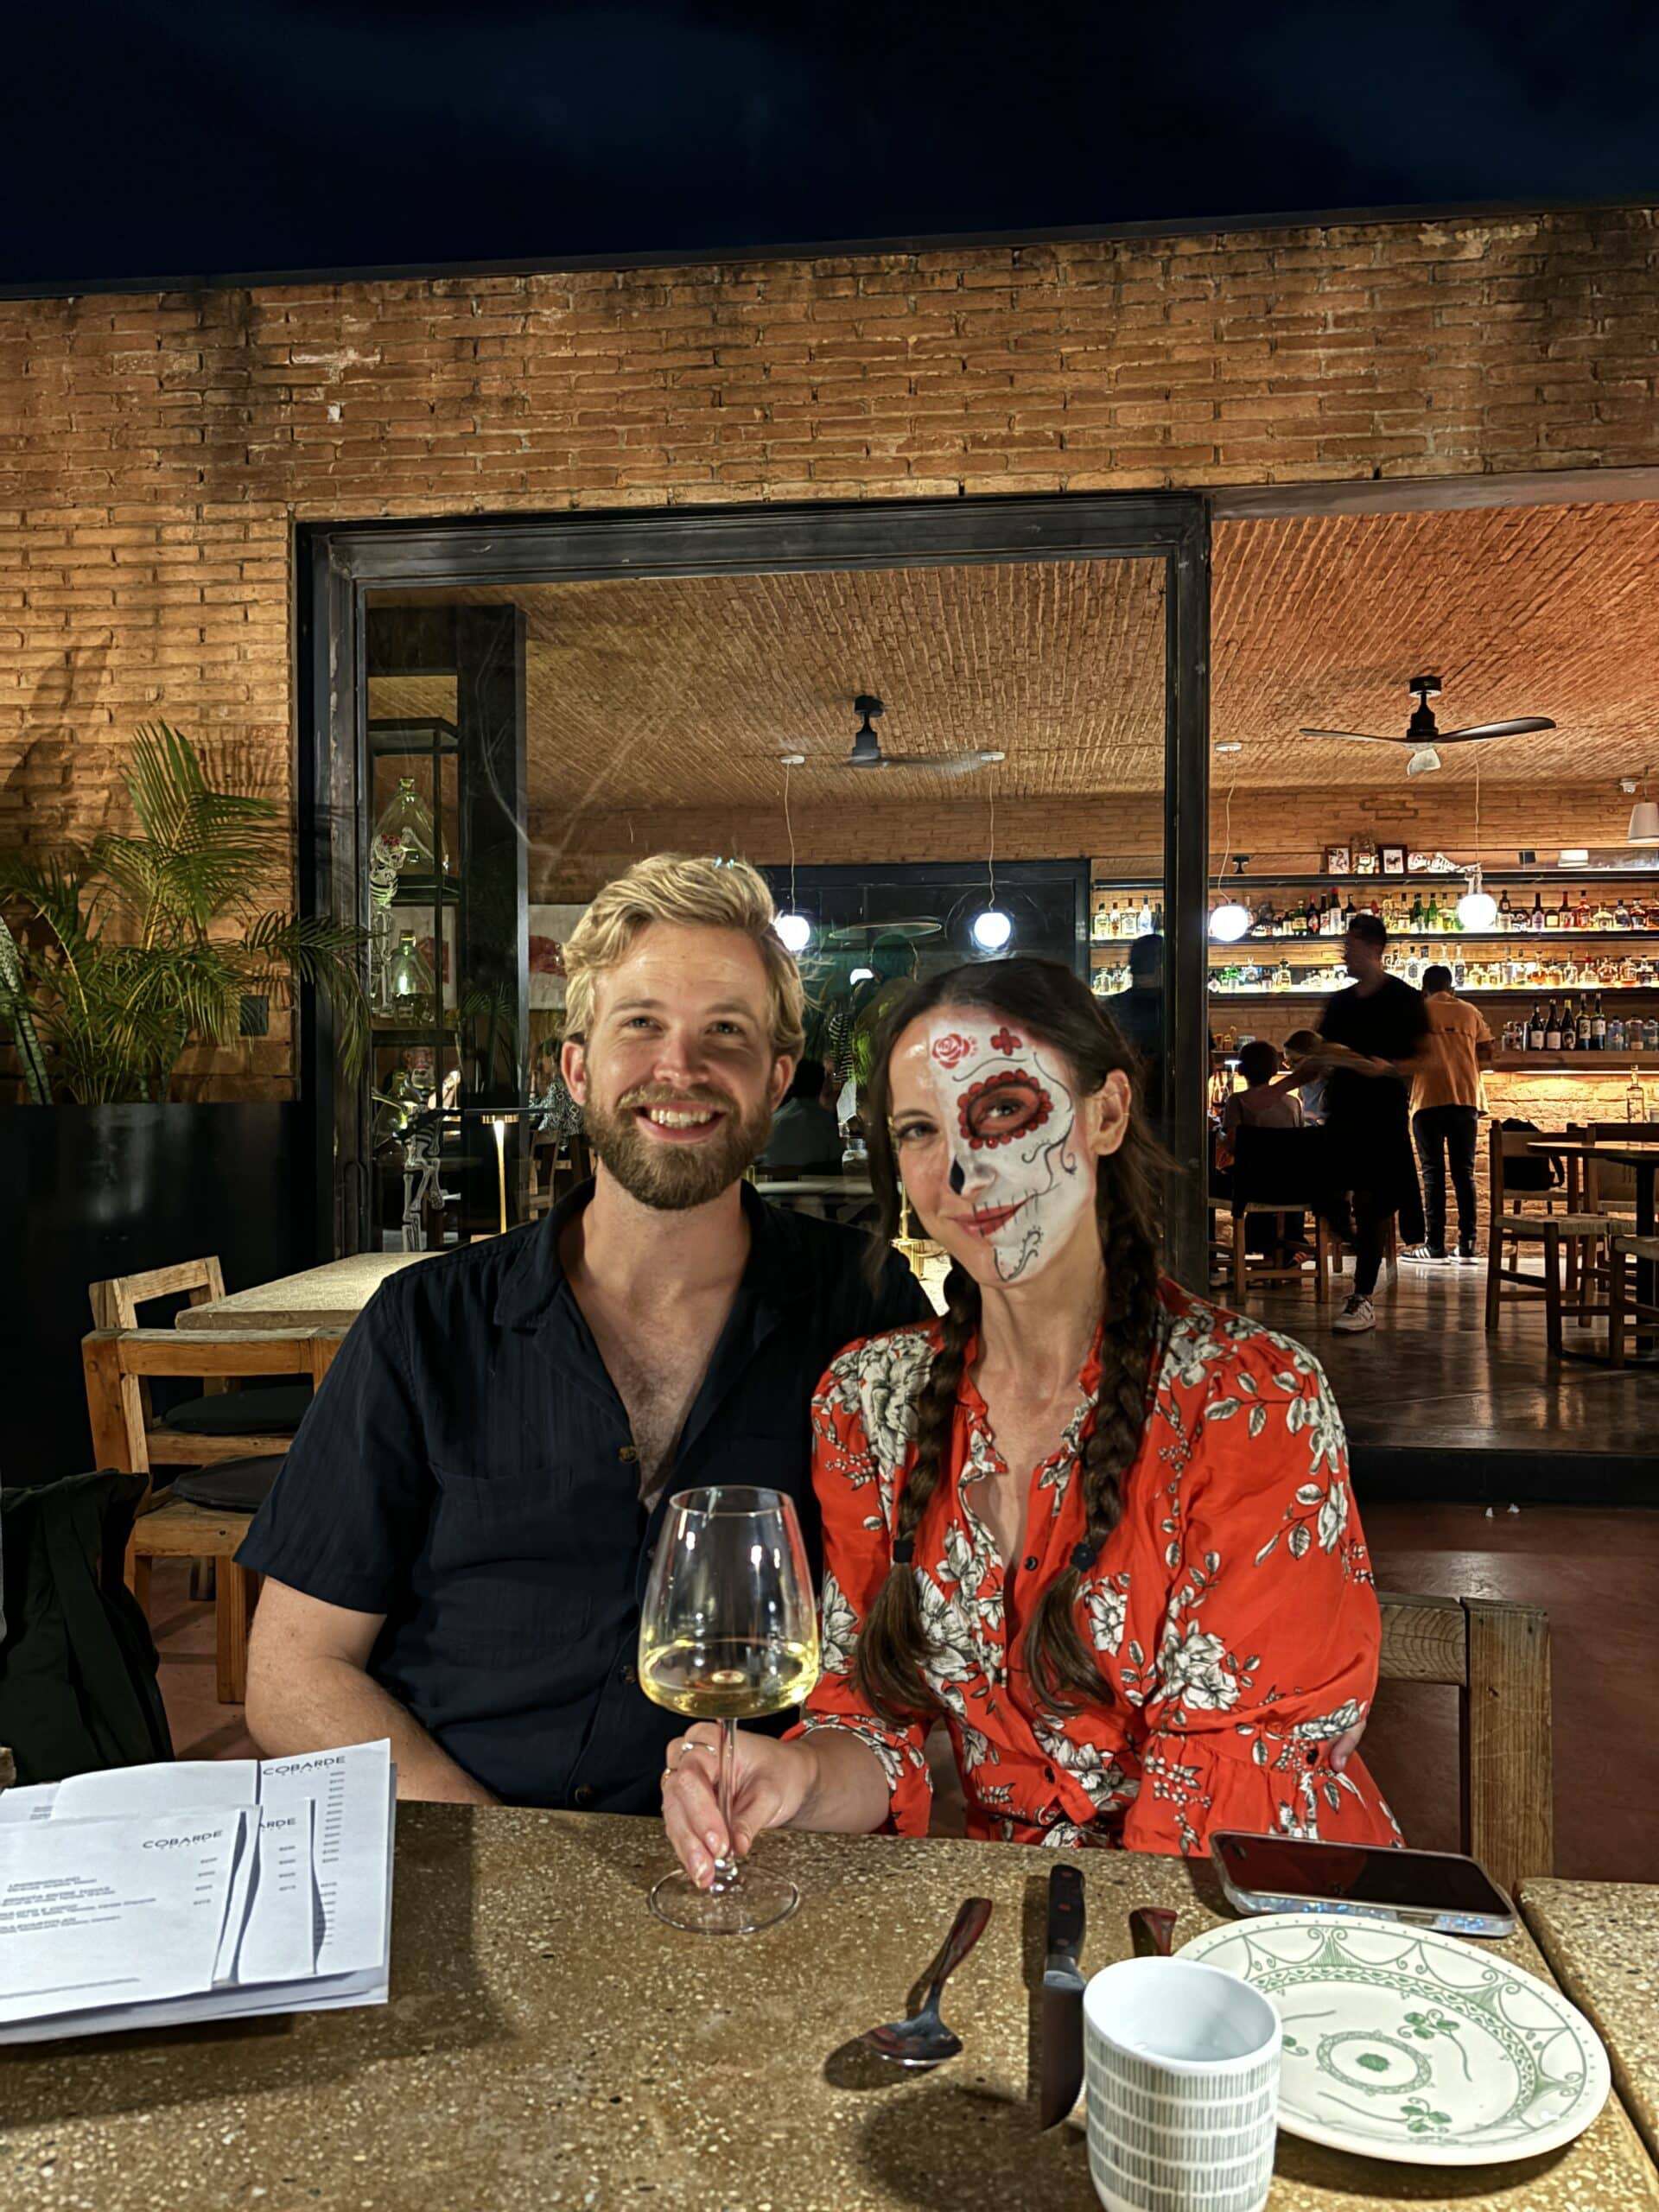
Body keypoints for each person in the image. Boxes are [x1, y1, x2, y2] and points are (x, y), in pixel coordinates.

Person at [660, 957, 1392, 1872]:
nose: (961, 1171)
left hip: (1248, 1928)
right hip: (1031, 1928)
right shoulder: (869, 1400)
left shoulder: (1252, 1399)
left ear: (1108, 1113)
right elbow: (874, 1726)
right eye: (920, 1131)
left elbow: (1229, 1789)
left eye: (1002, 1109)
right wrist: (799, 1777)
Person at [238, 855, 931, 1808]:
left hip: (766, 1849)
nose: (679, 1068)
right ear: (576, 1066)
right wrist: (502, 1860)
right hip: (462, 1839)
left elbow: (932, 1639)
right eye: (641, 1024)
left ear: (776, 1080)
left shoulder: (863, 1305)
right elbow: (290, 1671)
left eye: (724, 1032)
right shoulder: (426, 1323)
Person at [1317, 916, 1429, 1337]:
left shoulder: (1403, 998)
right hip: (1342, 1111)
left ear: (1373, 949)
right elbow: (1321, 1052)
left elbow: (1426, 1059)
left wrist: (1389, 1067)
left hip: (1383, 1113)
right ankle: (1359, 1249)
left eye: (1351, 946)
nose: (1345, 953)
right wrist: (1286, 1081)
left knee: (1373, 1205)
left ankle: (1362, 1296)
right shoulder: (1341, 1002)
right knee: (1325, 1193)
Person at [1404, 963, 1493, 1264]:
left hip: (1427, 1098)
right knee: (1464, 1173)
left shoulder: (1415, 1011)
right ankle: (1467, 1244)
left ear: (1424, 988)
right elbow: (1487, 1052)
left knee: (1432, 1174)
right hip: (1465, 1098)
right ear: (1451, 986)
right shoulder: (1469, 1011)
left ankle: (1435, 1245)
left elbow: (1403, 1056)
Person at [1112, 931, 1165, 1136]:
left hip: (1122, 1118)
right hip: (1174, 1117)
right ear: (1164, 965)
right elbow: (1205, 1067)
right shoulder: (1182, 1010)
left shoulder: (1112, 1008)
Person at [758, 1056, 842, 1176]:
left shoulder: (774, 1120)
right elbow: (836, 1164)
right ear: (820, 1084)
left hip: (772, 1192)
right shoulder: (826, 1122)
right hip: (815, 1191)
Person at [1283, 1030, 1327, 1124]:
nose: (1290, 1067)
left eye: (1294, 1061)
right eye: (1287, 1063)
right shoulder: (1305, 1081)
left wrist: (1315, 1117)